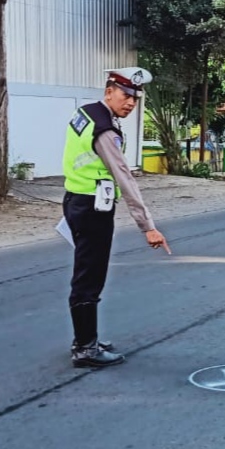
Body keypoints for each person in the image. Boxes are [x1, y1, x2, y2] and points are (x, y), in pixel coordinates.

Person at [62, 67, 171, 368]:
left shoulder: (86, 113)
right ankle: (85, 348)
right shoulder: (105, 130)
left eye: (135, 99)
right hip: (91, 209)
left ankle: (86, 338)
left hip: (75, 200)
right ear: (109, 91)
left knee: (87, 271)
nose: (131, 103)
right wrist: (147, 226)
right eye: (126, 95)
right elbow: (124, 177)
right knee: (90, 276)